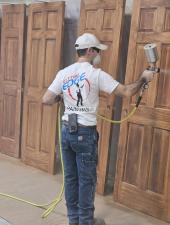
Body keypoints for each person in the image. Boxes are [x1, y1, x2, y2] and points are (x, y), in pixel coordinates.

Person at [42, 33, 154, 225]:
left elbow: (46, 99)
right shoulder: (95, 74)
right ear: (91, 51)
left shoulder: (64, 72)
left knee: (70, 179)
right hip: (85, 134)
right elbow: (126, 91)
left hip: (67, 132)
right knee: (86, 180)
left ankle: (74, 220)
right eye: (97, 50)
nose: (98, 54)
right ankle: (85, 222)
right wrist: (144, 78)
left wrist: (61, 98)